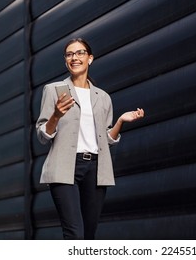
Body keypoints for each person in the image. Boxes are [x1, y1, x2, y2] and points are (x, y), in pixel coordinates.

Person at [36, 38, 144, 239]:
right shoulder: (53, 90)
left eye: (79, 53)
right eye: (69, 54)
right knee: (74, 234)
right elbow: (42, 135)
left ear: (90, 58)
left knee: (89, 235)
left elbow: (106, 139)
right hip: (65, 166)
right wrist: (56, 115)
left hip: (95, 168)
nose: (74, 57)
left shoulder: (102, 97)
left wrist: (120, 121)